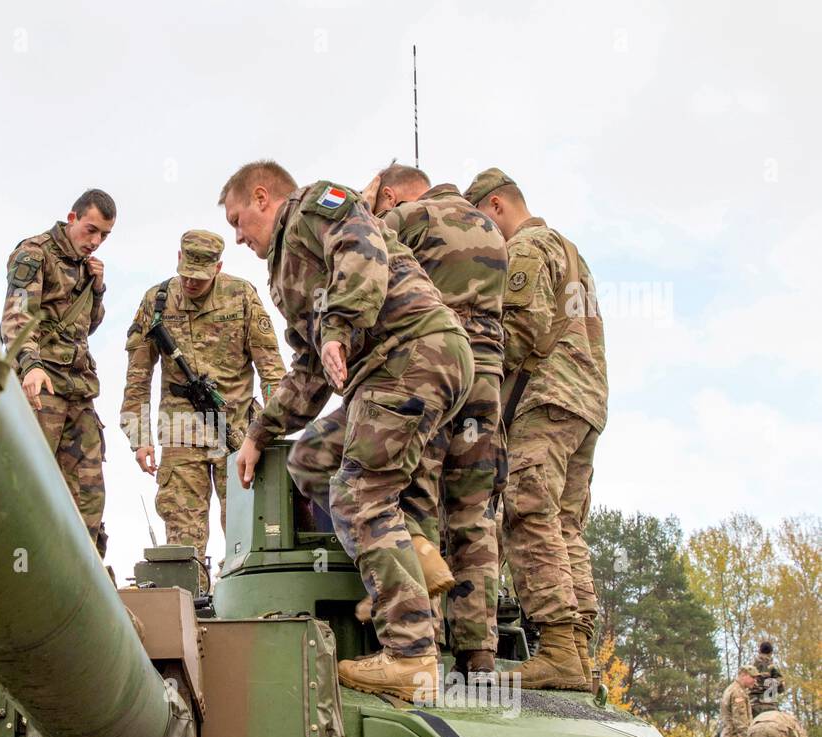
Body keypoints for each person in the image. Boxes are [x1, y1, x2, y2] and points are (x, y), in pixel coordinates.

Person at [221, 160, 472, 702]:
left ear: (263, 197)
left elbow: (363, 250)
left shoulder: (317, 205)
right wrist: (260, 433)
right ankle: (418, 554)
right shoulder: (286, 268)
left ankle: (410, 657)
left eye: (239, 220)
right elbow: (312, 371)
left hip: (412, 353)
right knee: (311, 458)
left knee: (359, 496)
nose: (237, 236)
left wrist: (338, 327)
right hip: (392, 368)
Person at [464, 168, 608, 690]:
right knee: (564, 525)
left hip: (543, 403)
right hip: (583, 404)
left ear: (496, 206)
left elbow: (517, 334)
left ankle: (557, 649)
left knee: (527, 513)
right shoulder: (573, 252)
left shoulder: (527, 247)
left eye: (483, 224)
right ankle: (577, 652)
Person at [364, 163, 508, 678]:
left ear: (390, 193)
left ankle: (427, 638)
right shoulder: (491, 227)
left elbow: (366, 270)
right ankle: (479, 652)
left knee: (416, 496)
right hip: (487, 380)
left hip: (434, 373)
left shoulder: (408, 218)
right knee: (474, 510)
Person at [121, 229, 286, 591]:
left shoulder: (241, 295)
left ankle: (245, 606)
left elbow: (271, 369)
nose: (192, 284)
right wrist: (139, 438)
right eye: (186, 275)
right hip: (181, 435)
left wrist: (274, 430)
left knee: (246, 532)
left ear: (218, 267)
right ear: (178, 258)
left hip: (237, 434)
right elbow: (138, 376)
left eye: (200, 277)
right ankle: (189, 616)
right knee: (183, 539)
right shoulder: (157, 301)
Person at [0, 189, 116, 556]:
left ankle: (85, 572)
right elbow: (16, 320)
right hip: (42, 385)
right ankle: (15, 566)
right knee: (28, 485)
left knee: (89, 491)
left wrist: (97, 289)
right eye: (90, 230)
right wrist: (31, 366)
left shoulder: (87, 267)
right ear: (72, 218)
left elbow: (87, 327)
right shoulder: (34, 253)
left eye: (104, 236)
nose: (95, 242)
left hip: (79, 389)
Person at [750, 640, 785, 716]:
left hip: (753, 704)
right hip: (770, 704)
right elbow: (781, 688)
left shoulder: (751, 666)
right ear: (771, 652)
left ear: (759, 650)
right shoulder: (773, 666)